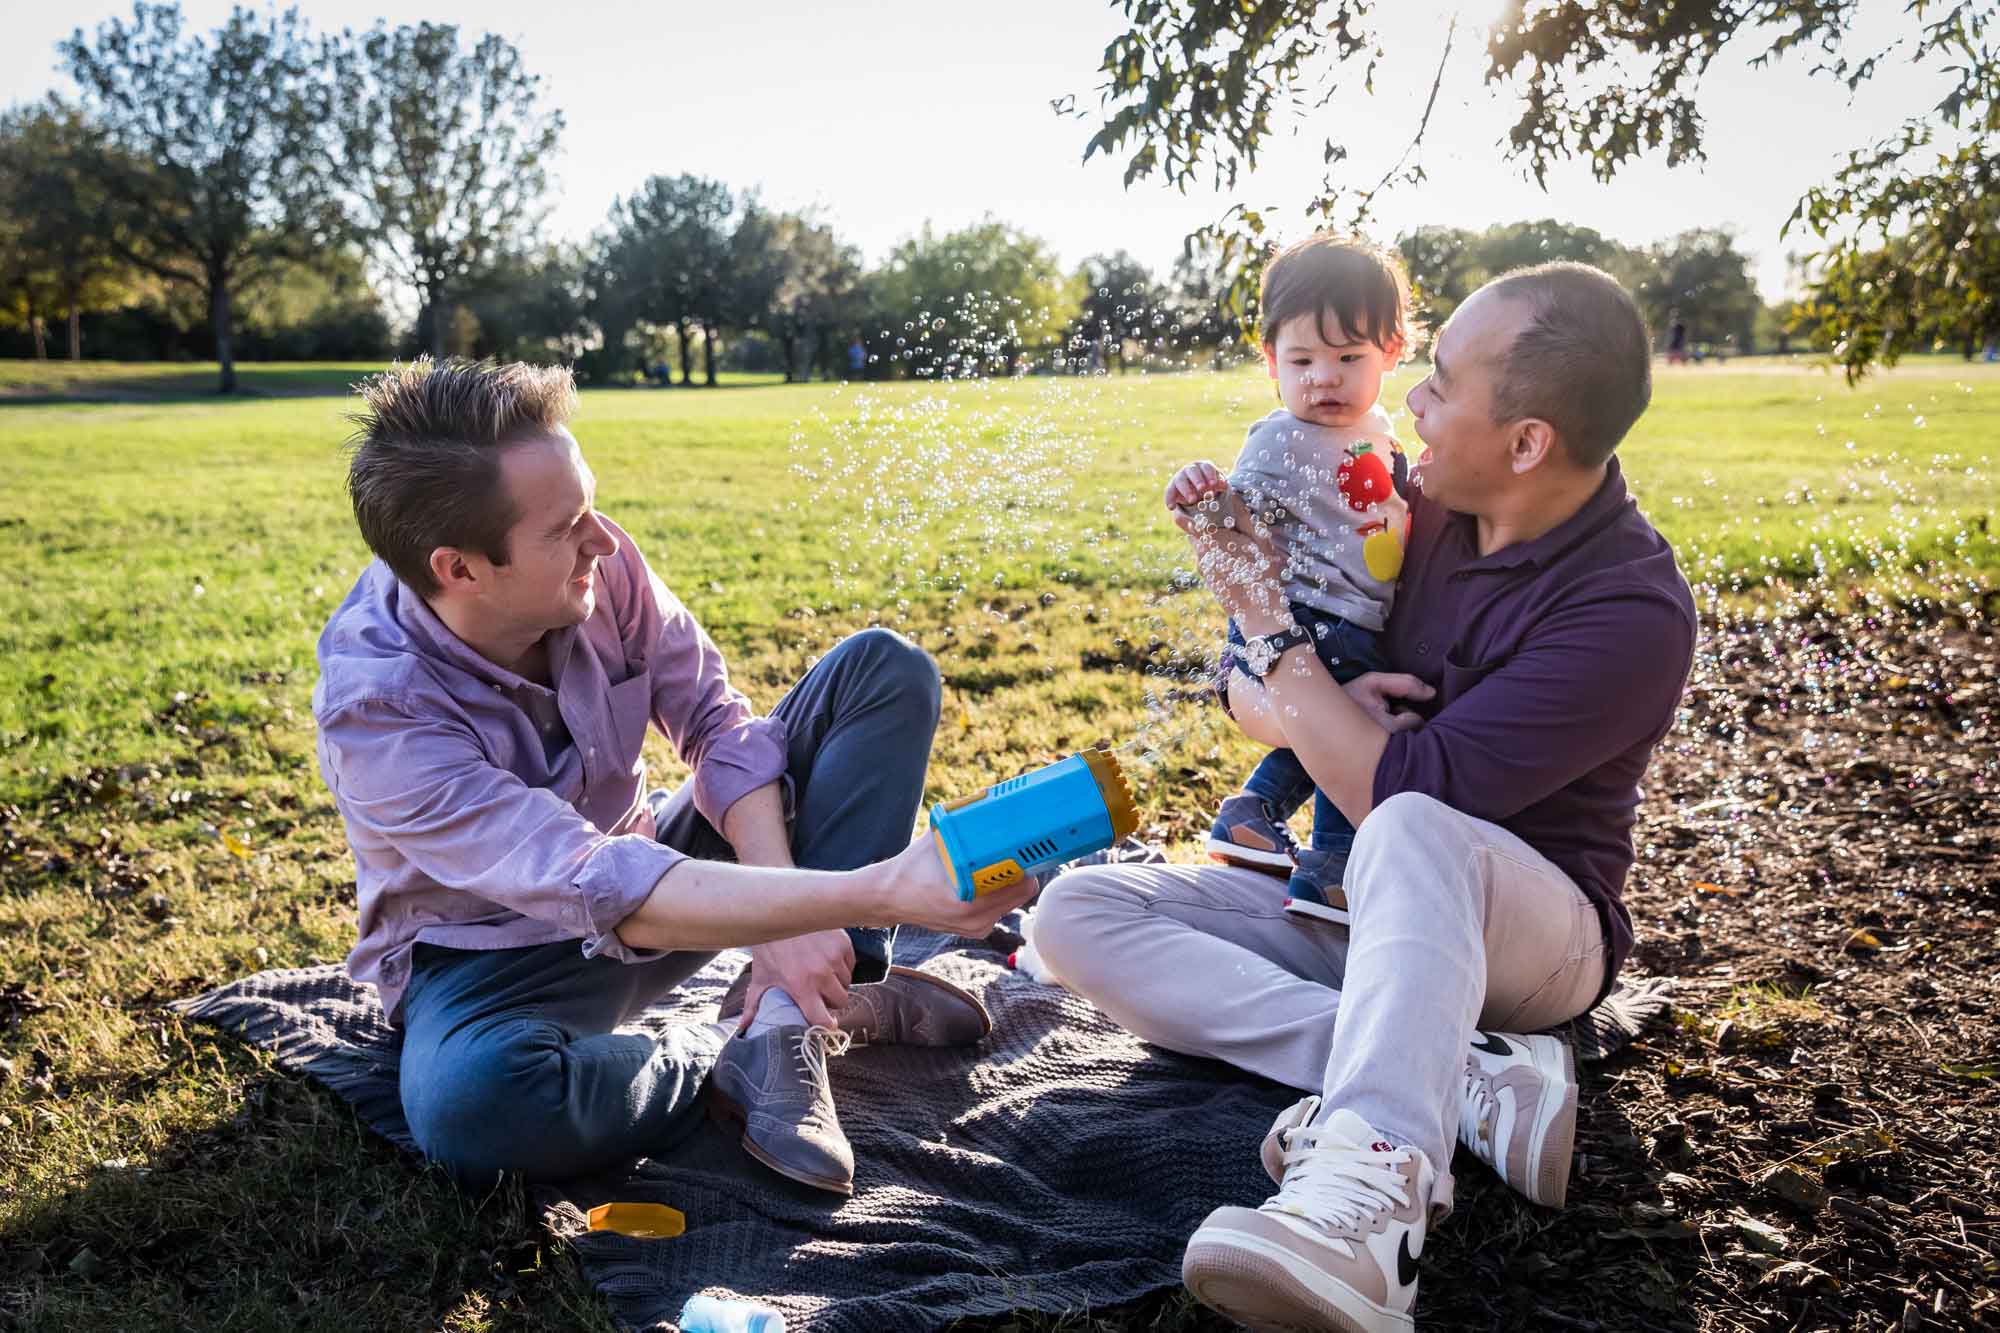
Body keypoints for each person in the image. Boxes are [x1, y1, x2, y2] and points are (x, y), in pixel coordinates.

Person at [1036, 263, 1695, 1331]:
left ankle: (1369, 1204)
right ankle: (1470, 1083)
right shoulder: (1411, 502)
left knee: (1416, 827)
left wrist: (1264, 623)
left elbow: (1392, 786)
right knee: (1077, 913)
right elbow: (1247, 694)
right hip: (1355, 905)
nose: (1411, 401)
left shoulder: (1628, 609)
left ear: (1526, 441)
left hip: (1532, 938)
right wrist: (1275, 652)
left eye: (1437, 379)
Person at [313, 358, 1035, 1194]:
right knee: (478, 1110)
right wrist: (879, 892)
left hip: (657, 875)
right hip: (491, 960)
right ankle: (732, 1052)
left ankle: (794, 1013)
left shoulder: (597, 564)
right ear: (461, 568)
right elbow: (590, 878)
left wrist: (781, 911)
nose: (607, 542)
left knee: (882, 670)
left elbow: (719, 725)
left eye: (590, 506)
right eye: (566, 528)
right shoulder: (378, 709)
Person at [1165, 234, 1413, 921]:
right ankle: (1332, 867)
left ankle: (1252, 812)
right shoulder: (1280, 439)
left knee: (1328, 730)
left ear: (1392, 352)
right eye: (1302, 360)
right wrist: (1205, 496)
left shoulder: (1380, 429)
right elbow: (1239, 519)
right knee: (1342, 729)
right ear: (1272, 361)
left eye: (1348, 358)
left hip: (1353, 615)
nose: (1324, 378)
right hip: (1308, 616)